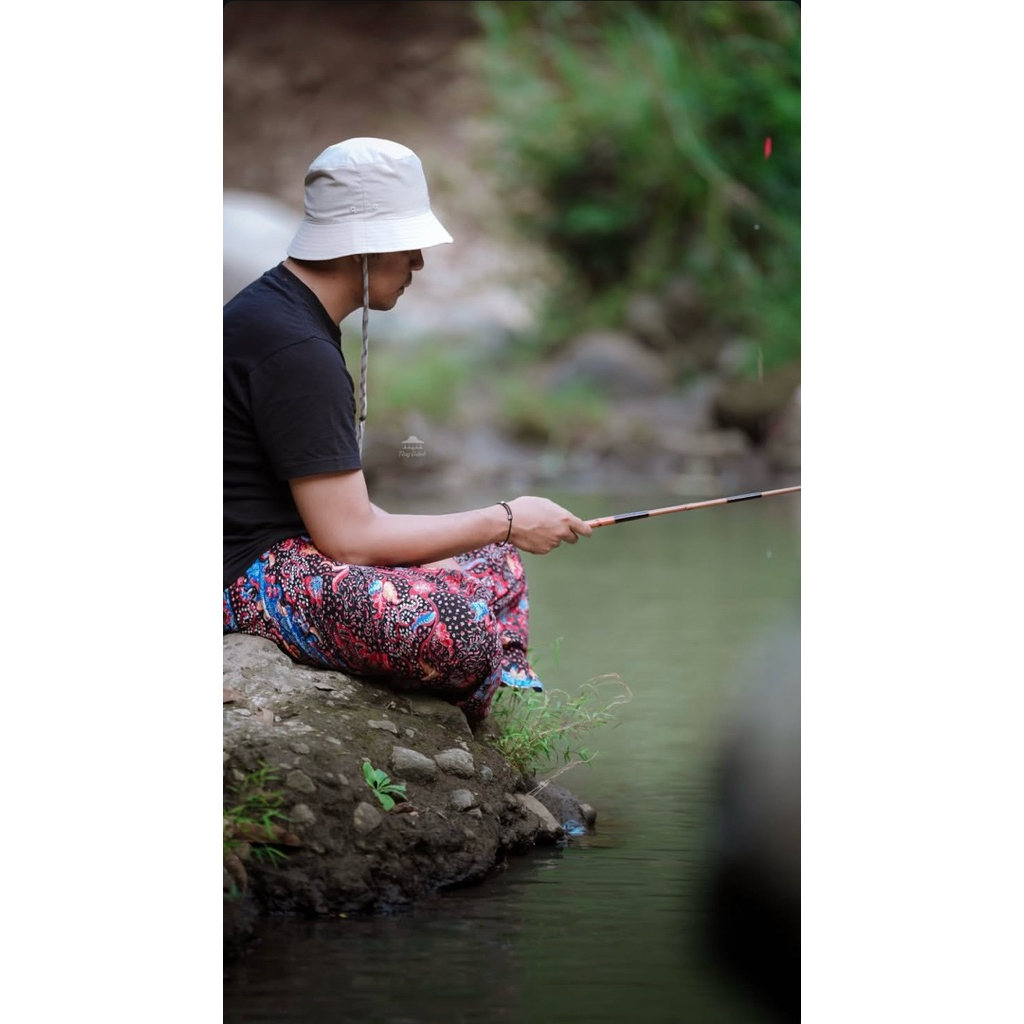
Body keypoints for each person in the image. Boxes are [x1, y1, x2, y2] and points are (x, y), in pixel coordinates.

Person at [224, 137, 591, 723]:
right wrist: (509, 518)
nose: (418, 262)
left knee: (497, 566)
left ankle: (470, 692)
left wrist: (500, 535)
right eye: (407, 243)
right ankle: (469, 692)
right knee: (461, 628)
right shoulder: (294, 348)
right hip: (249, 576)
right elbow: (349, 540)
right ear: (363, 246)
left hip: (295, 553)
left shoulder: (284, 316)